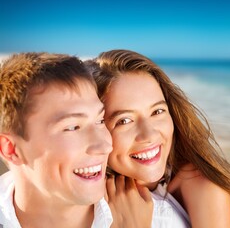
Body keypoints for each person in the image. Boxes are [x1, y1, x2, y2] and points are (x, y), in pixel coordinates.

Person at [87, 49, 230, 228]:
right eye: (125, 120)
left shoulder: (202, 184)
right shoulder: (86, 202)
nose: (150, 134)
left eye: (157, 111)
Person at [0, 52, 153, 228]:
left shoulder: (160, 219)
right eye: (73, 127)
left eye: (100, 120)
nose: (104, 146)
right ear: (11, 149)